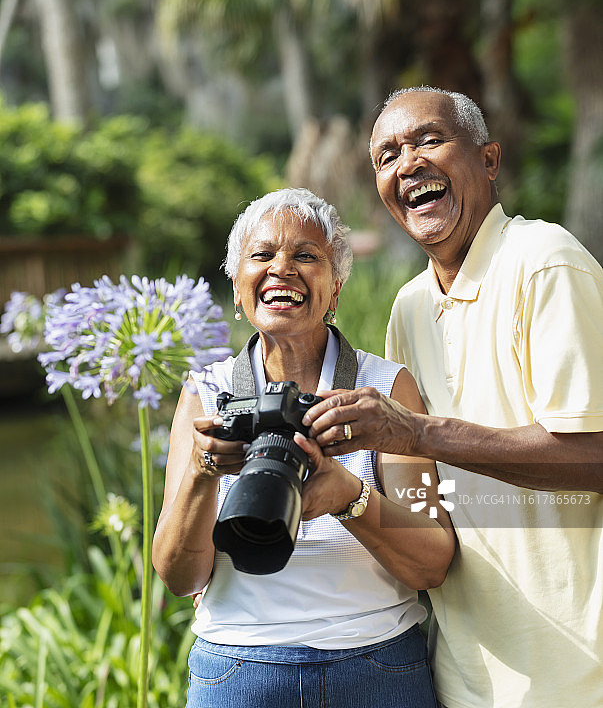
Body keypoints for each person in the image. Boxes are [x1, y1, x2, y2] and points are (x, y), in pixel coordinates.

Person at [302, 86, 603, 708]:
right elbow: (421, 496)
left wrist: (415, 433)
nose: (407, 164)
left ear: (489, 160)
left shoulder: (545, 261)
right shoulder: (410, 305)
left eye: (429, 141)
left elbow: (594, 456)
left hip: (577, 673)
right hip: (464, 677)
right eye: (387, 156)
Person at [152, 187, 456, 708]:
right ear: (238, 285)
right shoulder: (206, 394)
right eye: (262, 255)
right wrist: (205, 473)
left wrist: (347, 498)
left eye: (306, 256)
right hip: (237, 669)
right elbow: (179, 577)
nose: (282, 269)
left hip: (375, 663)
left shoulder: (382, 390)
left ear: (335, 289)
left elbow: (431, 563)